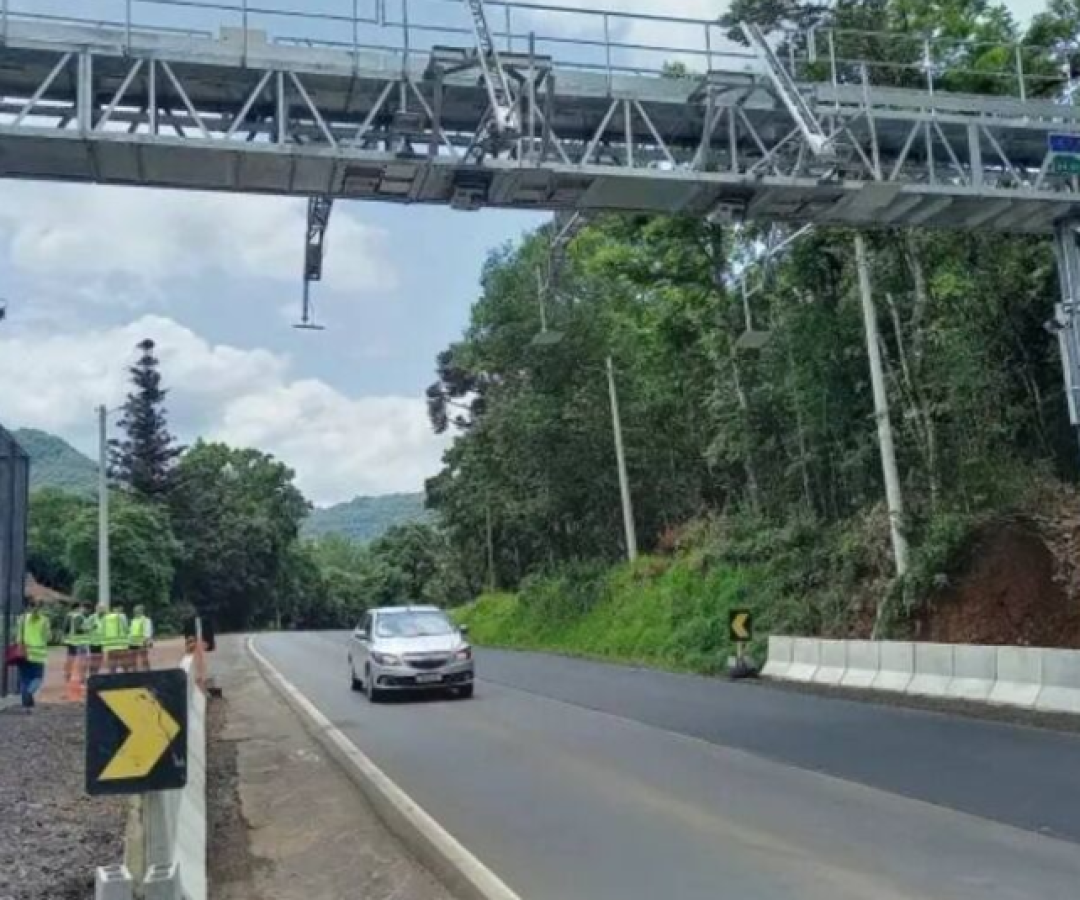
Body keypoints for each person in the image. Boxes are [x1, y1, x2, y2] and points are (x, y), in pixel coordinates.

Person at [13, 599, 51, 711]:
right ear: (40, 608)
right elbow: (47, 637)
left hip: (23, 652)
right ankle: (30, 692)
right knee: (38, 678)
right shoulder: (44, 620)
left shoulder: (21, 619)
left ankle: (26, 707)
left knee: (24, 679)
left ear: (28, 607)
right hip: (38, 654)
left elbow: (18, 636)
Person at [62, 602, 90, 683]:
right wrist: (87, 629)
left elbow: (65, 628)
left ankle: (68, 675)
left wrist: (64, 637)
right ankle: (82, 677)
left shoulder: (68, 615)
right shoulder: (79, 616)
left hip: (70, 640)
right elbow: (79, 628)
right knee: (83, 659)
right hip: (79, 640)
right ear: (78, 607)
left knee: (70, 658)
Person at [102, 604, 130, 674]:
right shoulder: (122, 616)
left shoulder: (106, 617)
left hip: (110, 645)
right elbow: (126, 629)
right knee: (125, 665)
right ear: (117, 608)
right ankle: (128, 680)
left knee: (112, 666)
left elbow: (103, 630)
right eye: (121, 608)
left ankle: (112, 681)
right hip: (121, 644)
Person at [128, 605, 154, 672]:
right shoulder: (133, 620)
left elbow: (147, 632)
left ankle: (147, 672)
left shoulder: (145, 620)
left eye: (137, 610)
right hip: (133, 642)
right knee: (132, 659)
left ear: (141, 611)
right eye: (135, 611)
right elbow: (131, 632)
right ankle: (134, 672)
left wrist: (146, 641)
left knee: (144, 659)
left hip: (142, 642)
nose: (136, 612)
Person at [87, 603, 106, 676]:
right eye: (100, 608)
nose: (102, 610)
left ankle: (96, 674)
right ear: (96, 609)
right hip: (93, 643)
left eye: (103, 609)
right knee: (93, 660)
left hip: (102, 643)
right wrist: (92, 627)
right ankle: (91, 674)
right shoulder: (92, 617)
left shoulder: (106, 618)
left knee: (99, 660)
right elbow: (85, 627)